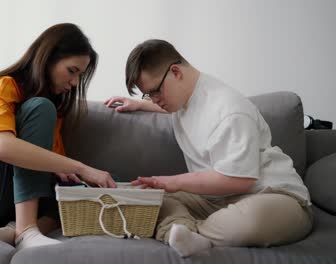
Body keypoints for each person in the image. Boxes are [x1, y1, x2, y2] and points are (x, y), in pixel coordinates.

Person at [104, 39, 313, 257]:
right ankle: (186, 235)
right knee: (156, 199)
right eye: (149, 94)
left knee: (250, 220)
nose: (155, 100)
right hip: (215, 200)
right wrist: (139, 103)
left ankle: (189, 233)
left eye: (155, 91)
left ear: (175, 72)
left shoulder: (229, 110)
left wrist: (173, 181)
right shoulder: (184, 97)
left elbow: (240, 180)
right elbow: (186, 111)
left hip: (273, 196)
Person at [0, 23, 116, 252]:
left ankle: (16, 229)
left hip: (12, 203)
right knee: (41, 110)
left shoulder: (53, 106)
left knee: (79, 192)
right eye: (72, 71)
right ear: (48, 58)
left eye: (79, 76)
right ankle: (26, 230)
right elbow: (1, 147)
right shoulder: (3, 87)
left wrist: (81, 179)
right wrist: (81, 167)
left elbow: (52, 165)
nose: (74, 83)